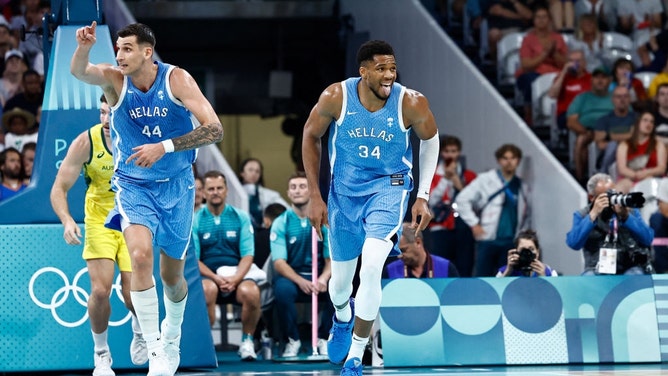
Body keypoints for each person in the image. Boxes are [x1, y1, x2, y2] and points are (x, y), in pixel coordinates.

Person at [71, 21, 224, 376]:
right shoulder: (114, 79)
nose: (120, 55)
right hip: (133, 185)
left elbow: (215, 129)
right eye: (118, 48)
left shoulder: (177, 80)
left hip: (178, 185)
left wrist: (165, 146)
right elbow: (80, 72)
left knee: (172, 277)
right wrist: (83, 48)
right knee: (139, 256)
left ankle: (172, 337)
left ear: (146, 52)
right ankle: (155, 350)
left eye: (127, 49)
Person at [301, 40, 439, 376]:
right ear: (363, 72)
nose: (389, 75)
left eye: (392, 68)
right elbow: (309, 135)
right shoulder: (336, 97)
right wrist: (316, 196)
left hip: (389, 189)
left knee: (373, 265)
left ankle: (355, 357)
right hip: (344, 195)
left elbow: (431, 140)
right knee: (340, 285)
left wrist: (423, 194)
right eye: (381, 68)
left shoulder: (411, 102)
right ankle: (342, 317)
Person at [50, 95, 147, 376]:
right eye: (102, 113)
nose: (105, 120)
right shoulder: (86, 142)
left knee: (133, 295)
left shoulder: (141, 139)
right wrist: (67, 220)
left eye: (110, 114)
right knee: (101, 290)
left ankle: (140, 329)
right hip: (99, 220)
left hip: (134, 219)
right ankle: (101, 354)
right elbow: (59, 188)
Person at [192, 170, 261, 361]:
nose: (215, 192)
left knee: (252, 292)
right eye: (211, 189)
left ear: (226, 190)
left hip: (236, 275)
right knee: (207, 289)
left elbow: (248, 255)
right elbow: (194, 259)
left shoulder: (240, 217)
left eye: (219, 188)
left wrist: (236, 278)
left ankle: (247, 342)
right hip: (209, 276)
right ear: (204, 193)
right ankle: (206, 344)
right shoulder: (195, 219)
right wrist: (215, 278)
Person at [270, 171, 333, 357]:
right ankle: (293, 340)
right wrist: (300, 281)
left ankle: (324, 338)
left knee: (339, 287)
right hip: (293, 276)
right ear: (288, 193)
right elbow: (279, 263)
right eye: (293, 187)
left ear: (310, 191)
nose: (297, 191)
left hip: (320, 275)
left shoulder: (323, 221)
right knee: (282, 290)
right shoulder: (281, 222)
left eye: (302, 186)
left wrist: (323, 278)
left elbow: (332, 260)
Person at [455, 143, 531, 277]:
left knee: (507, 279)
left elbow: (526, 215)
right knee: (483, 278)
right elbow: (462, 199)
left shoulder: (522, 185)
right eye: (505, 158)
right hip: (488, 239)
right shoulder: (486, 179)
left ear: (518, 161)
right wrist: (474, 224)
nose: (509, 162)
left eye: (513, 158)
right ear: (499, 160)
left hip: (511, 241)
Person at [566, 173, 654, 275]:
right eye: (606, 196)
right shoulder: (582, 215)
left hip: (628, 266)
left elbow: (648, 238)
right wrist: (593, 215)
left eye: (614, 193)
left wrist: (626, 217)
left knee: (636, 274)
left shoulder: (630, 211)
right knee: (589, 277)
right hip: (596, 268)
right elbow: (573, 243)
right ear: (591, 197)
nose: (611, 199)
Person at [427, 135, 476, 277]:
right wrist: (445, 180)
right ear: (442, 152)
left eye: (454, 151)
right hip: (440, 225)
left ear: (459, 152)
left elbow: (472, 200)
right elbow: (431, 199)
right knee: (441, 265)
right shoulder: (432, 173)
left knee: (464, 265)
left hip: (463, 225)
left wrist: (455, 180)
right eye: (447, 151)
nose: (450, 155)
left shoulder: (468, 175)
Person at [515, 4, 568, 125]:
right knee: (530, 81)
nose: (541, 20)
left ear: (549, 20)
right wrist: (544, 54)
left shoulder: (558, 38)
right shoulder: (528, 39)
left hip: (556, 73)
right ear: (534, 21)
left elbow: (565, 63)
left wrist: (554, 54)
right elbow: (526, 64)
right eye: (538, 17)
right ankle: (530, 115)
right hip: (533, 73)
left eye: (544, 17)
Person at [566, 66, 613, 183]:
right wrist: (586, 132)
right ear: (591, 80)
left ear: (610, 80)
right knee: (581, 140)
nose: (600, 80)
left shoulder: (616, 97)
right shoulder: (582, 98)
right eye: (597, 77)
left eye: (603, 77)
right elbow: (571, 121)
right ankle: (580, 179)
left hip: (612, 132)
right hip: (589, 131)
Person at [383, 223, 460, 279]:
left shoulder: (446, 268)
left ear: (418, 242)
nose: (399, 256)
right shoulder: (390, 271)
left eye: (403, 250)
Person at [615, 111, 667, 192]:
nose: (648, 124)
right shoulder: (624, 145)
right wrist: (635, 175)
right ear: (637, 123)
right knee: (621, 187)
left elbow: (662, 168)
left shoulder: (659, 144)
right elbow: (622, 168)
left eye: (651, 122)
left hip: (652, 177)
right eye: (645, 120)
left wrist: (646, 173)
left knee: (648, 182)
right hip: (629, 178)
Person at [593, 85, 635, 175]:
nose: (622, 100)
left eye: (625, 96)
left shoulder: (637, 118)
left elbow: (637, 137)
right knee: (613, 145)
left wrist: (610, 136)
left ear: (629, 99)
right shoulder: (603, 120)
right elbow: (600, 145)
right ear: (612, 100)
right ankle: (603, 173)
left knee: (613, 143)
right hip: (612, 156)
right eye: (619, 97)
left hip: (633, 153)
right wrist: (627, 137)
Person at [547, 49, 591, 132]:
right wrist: (564, 71)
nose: (575, 64)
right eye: (571, 61)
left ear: (584, 63)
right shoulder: (563, 78)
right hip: (566, 114)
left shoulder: (591, 78)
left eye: (577, 61)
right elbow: (552, 95)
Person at [238, 157, 289, 229]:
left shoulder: (270, 194)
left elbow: (288, 210)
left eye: (257, 171)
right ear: (242, 173)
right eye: (250, 170)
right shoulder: (233, 193)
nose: (254, 173)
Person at [649, 177, 668, 273]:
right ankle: (663, 270)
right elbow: (664, 207)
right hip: (665, 222)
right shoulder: (666, 183)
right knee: (656, 219)